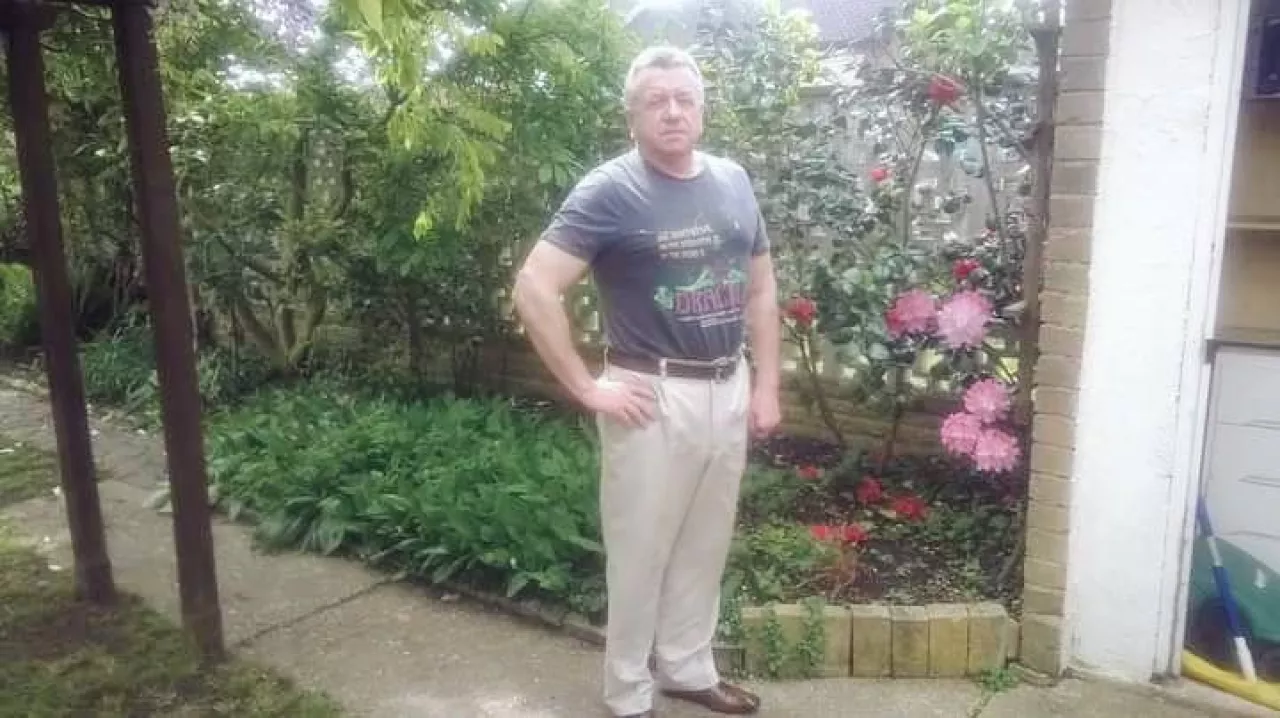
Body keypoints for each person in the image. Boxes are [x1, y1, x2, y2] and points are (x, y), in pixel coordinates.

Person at [512, 45, 782, 718]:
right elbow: (534, 285)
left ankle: (688, 669)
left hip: (727, 386)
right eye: (655, 100)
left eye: (684, 98)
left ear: (702, 109)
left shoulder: (733, 181)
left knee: (704, 543)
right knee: (640, 553)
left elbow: (761, 288)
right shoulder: (610, 190)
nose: (672, 111)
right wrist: (585, 386)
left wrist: (767, 385)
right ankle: (629, 693)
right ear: (631, 114)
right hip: (650, 396)